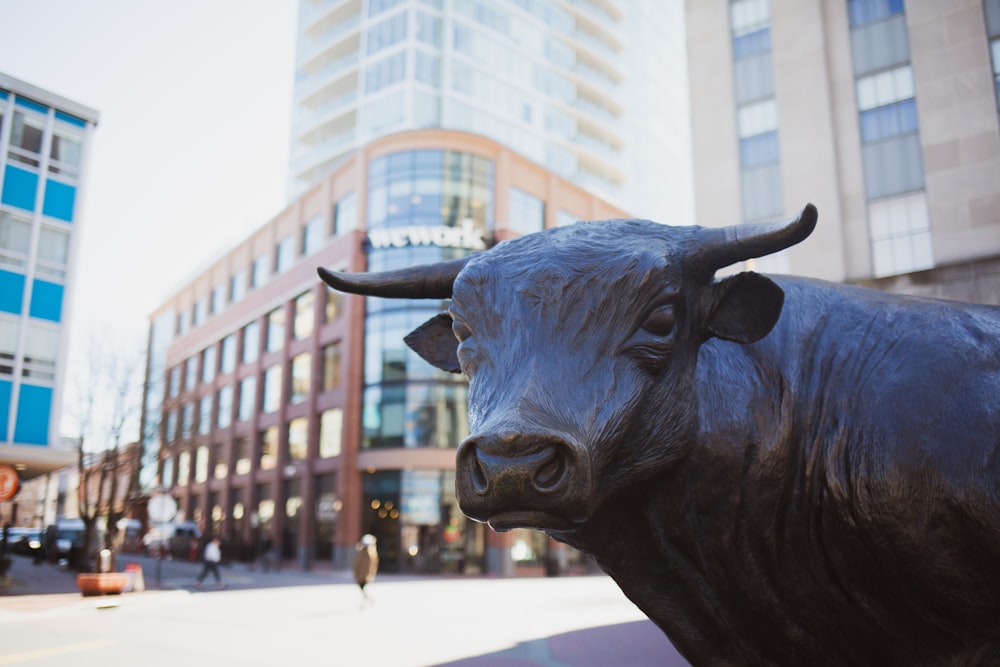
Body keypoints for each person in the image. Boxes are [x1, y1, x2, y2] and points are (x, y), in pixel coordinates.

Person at [352, 534, 378, 607]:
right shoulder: (362, 553)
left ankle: (365, 600)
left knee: (363, 589)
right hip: (361, 575)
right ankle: (366, 599)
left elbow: (373, 566)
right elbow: (356, 564)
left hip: (365, 576)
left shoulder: (371, 554)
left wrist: (371, 574)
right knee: (362, 589)